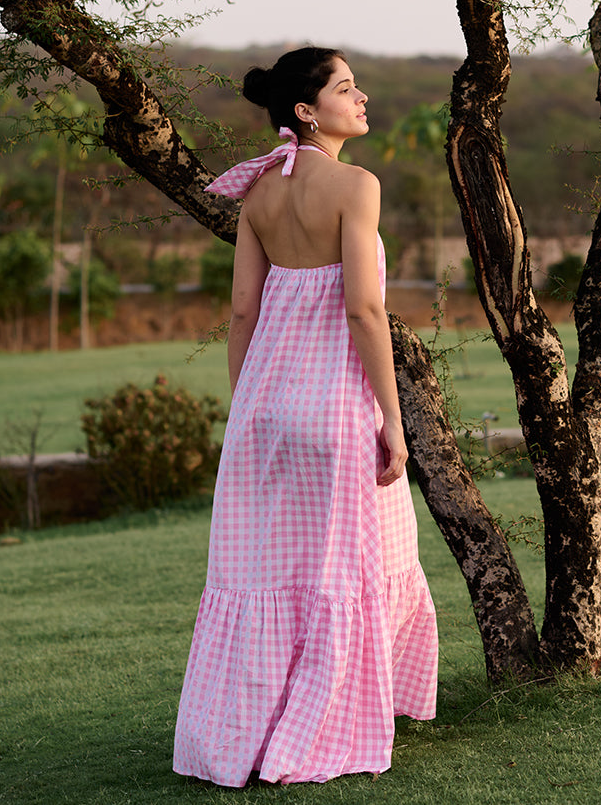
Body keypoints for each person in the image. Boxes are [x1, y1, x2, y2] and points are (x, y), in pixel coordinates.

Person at [173, 46, 438, 787]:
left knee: (266, 572)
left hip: (264, 407)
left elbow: (241, 311)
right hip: (333, 404)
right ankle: (329, 721)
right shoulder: (356, 184)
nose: (362, 98)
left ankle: (241, 733)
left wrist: (247, 409)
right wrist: (391, 417)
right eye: (346, 88)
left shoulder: (258, 195)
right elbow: (363, 308)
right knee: (350, 568)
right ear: (305, 109)